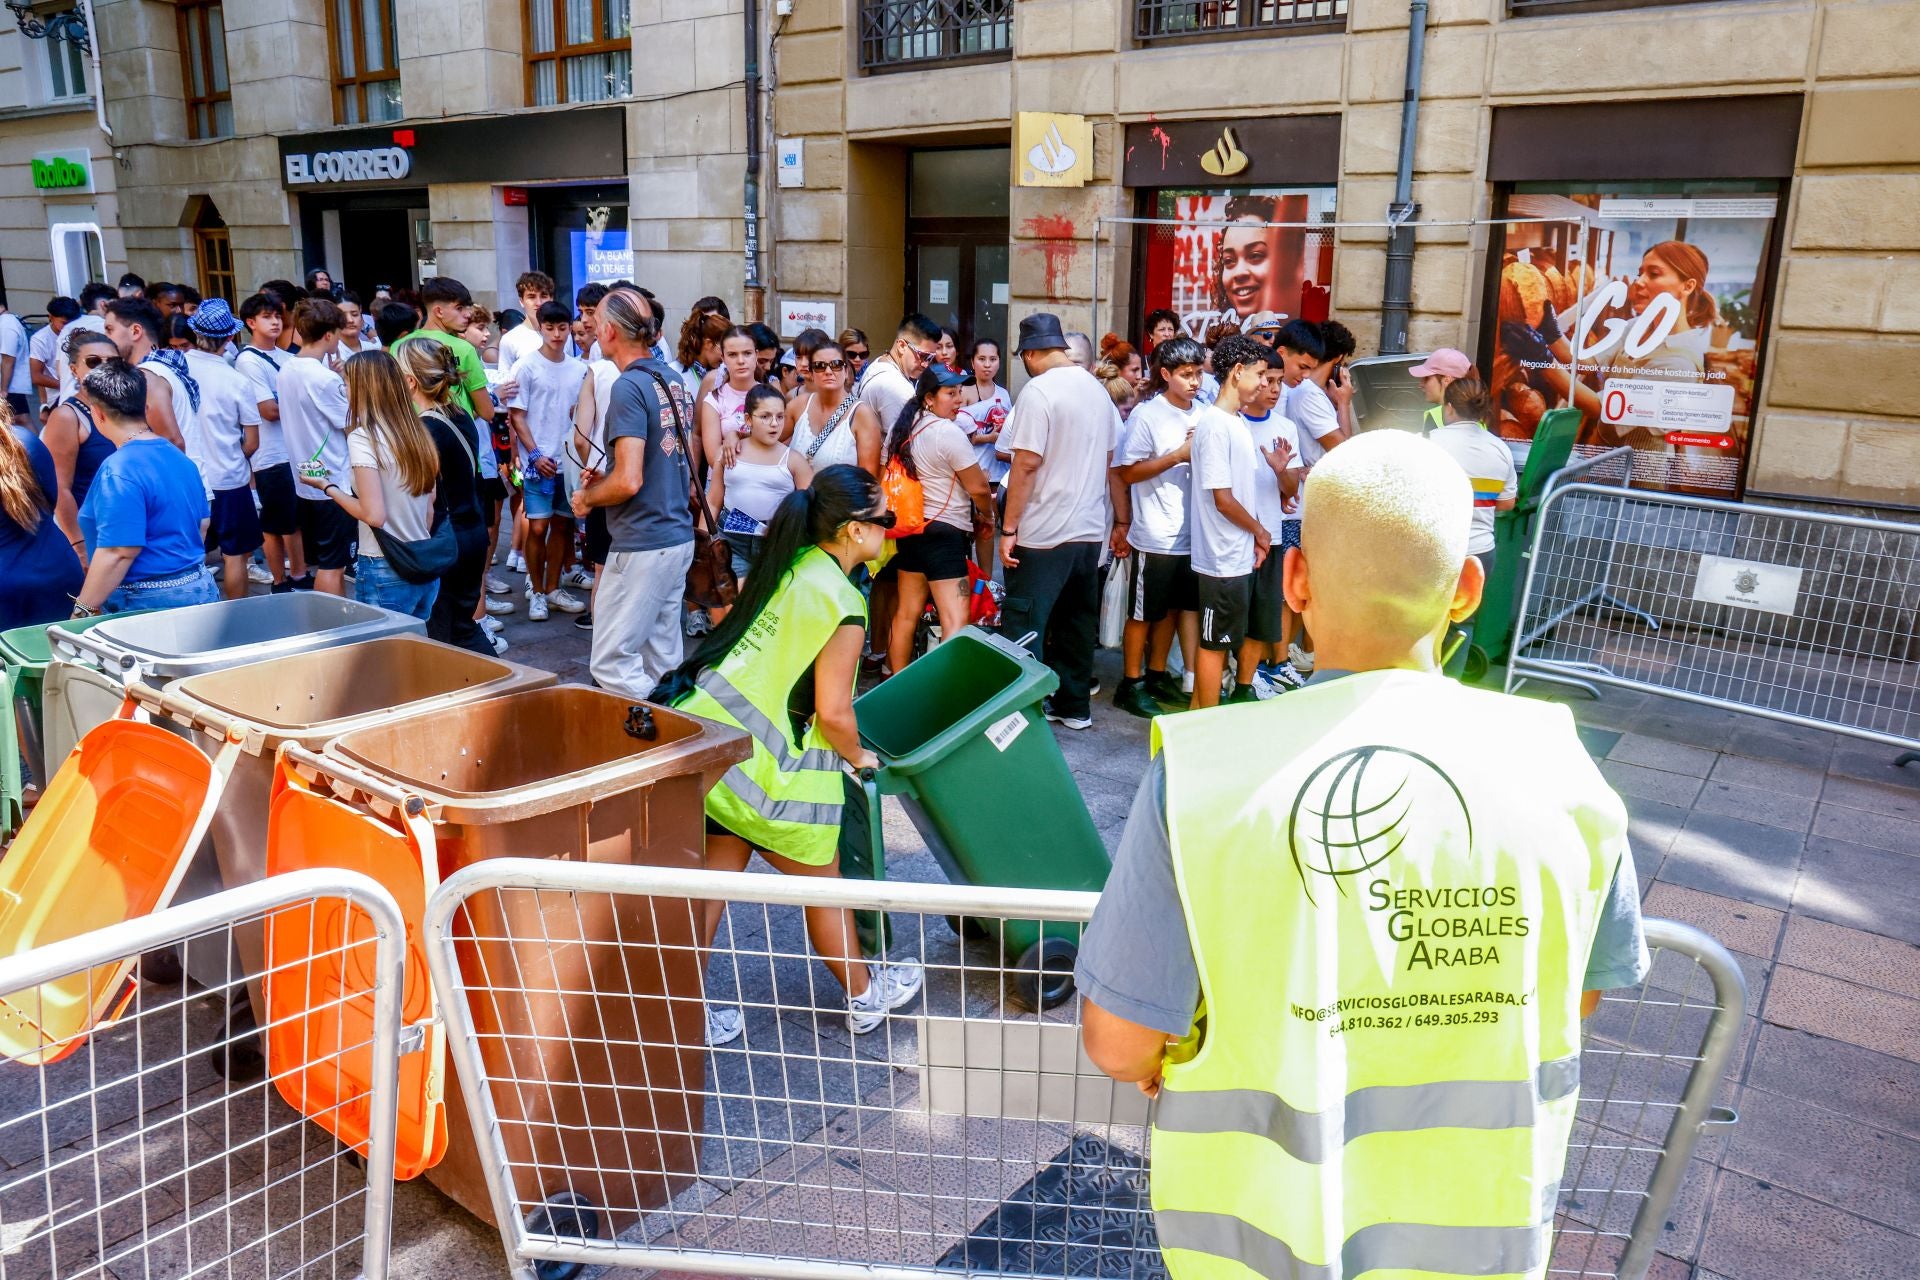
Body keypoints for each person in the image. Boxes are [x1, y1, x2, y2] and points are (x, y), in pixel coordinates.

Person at [1076, 428, 1649, 1280]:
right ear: (1465, 590)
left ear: (1297, 581)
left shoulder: (1200, 771)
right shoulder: (1560, 763)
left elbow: (1120, 1045)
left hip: (1253, 1243)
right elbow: (1583, 992)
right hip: (1479, 1237)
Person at [654, 464, 924, 1046]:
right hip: (770, 773)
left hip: (712, 748)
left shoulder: (796, 563)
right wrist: (861, 758)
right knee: (823, 888)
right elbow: (832, 713)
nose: (890, 531)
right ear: (856, 530)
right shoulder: (844, 603)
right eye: (886, 521)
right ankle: (864, 996)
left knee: (710, 889)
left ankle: (680, 1012)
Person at [997, 313, 1125, 731]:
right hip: (1088, 530)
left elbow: (1026, 464)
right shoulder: (1097, 390)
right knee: (1075, 623)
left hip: (1043, 530)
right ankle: (1074, 706)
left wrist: (1009, 527)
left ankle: (1021, 712)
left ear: (1031, 354)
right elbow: (1109, 460)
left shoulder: (1038, 391)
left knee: (1026, 622)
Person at [571, 289, 697, 698]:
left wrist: (588, 498)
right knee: (663, 659)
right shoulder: (672, 379)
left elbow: (628, 480)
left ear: (608, 331)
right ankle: (687, 738)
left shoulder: (628, 386)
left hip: (643, 541)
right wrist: (605, 478)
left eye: (595, 324)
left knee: (610, 660)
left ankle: (663, 730)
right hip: (675, 536)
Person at [298, 351, 441, 620]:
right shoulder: (417, 431)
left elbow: (373, 515)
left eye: (347, 384)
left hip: (383, 565)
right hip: (423, 561)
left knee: (381, 655)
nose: (346, 391)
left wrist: (328, 487)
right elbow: (429, 506)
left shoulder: (364, 437)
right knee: (415, 651)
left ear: (363, 388)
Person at [69, 358, 216, 615]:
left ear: (98, 414)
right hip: (199, 588)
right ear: (146, 407)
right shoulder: (180, 458)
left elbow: (118, 552)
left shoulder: (119, 469)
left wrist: (82, 607)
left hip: (145, 602)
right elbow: (202, 524)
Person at [1112, 337, 1206, 719]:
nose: (1195, 382)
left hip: (1193, 533)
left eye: (1199, 373)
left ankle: (1155, 674)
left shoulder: (1203, 412)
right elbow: (1127, 471)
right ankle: (1130, 683)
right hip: (1155, 532)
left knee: (1171, 609)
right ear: (1165, 375)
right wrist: (1177, 456)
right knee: (1143, 612)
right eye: (1186, 375)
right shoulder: (1147, 415)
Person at [884, 362, 992, 674]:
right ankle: (947, 695)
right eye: (950, 393)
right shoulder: (947, 432)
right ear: (929, 398)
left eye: (960, 392)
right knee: (955, 621)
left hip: (910, 532)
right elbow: (979, 487)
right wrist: (987, 515)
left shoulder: (901, 429)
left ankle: (896, 687)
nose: (959, 399)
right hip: (944, 536)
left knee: (905, 615)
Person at [396, 338, 499, 654]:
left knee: (445, 634)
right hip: (471, 529)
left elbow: (425, 495)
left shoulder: (425, 428)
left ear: (410, 381)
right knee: (463, 627)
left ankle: (495, 691)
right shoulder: (459, 414)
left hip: (446, 537)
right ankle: (504, 688)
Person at [1186, 334, 1271, 708]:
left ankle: (1196, 721)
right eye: (1261, 375)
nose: (1266, 384)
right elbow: (1223, 499)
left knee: (1220, 644)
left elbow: (1238, 493)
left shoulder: (1235, 422)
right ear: (1238, 373)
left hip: (1235, 554)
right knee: (1213, 647)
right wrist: (1259, 530)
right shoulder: (1216, 424)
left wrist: (1255, 535)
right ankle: (1205, 724)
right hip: (1219, 557)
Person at [505, 299, 590, 620]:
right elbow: (517, 416)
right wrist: (535, 454)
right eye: (550, 328)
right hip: (537, 463)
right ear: (540, 328)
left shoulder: (580, 369)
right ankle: (537, 590)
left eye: (562, 328)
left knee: (564, 525)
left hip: (568, 462)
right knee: (538, 527)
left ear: (570, 329)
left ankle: (553, 587)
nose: (556, 334)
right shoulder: (526, 366)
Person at [183, 301, 263, 599]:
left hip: (189, 476)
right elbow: (253, 442)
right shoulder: (236, 380)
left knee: (190, 555)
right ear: (230, 338)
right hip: (230, 477)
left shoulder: (176, 371)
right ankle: (236, 618)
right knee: (236, 556)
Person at [1239, 349, 1307, 695]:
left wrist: (1282, 471)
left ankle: (1249, 681)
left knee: (1261, 617)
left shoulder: (1285, 428)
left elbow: (1291, 489)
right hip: (1234, 537)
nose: (1275, 389)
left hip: (1272, 536)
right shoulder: (1230, 422)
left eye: (1280, 382)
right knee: (1230, 618)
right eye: (1269, 380)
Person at [278, 298, 355, 596]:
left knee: (324, 561)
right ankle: (335, 625)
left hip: (306, 477)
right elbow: (351, 421)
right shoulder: (322, 378)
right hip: (333, 479)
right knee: (333, 565)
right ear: (328, 335)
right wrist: (346, 383)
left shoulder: (288, 368)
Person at [235, 292, 308, 591]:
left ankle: (300, 575)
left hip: (293, 451)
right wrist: (303, 405)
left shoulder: (289, 358)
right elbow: (268, 410)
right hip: (270, 454)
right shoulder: (248, 361)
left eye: (278, 316)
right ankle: (282, 580)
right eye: (267, 317)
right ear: (250, 323)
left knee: (293, 521)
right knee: (277, 524)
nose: (275, 321)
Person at [712, 384, 810, 583]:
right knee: (734, 601)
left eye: (780, 416)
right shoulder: (729, 453)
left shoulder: (793, 460)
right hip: (731, 537)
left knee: (768, 604)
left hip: (775, 541)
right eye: (765, 416)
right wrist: (705, 542)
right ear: (748, 419)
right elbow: (713, 500)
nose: (774, 423)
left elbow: (809, 510)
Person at [0, 410, 84, 630]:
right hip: (56, 571)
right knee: (63, 660)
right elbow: (50, 500)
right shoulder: (25, 440)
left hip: (10, 591)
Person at [1428, 376, 1517, 581]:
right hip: (1480, 553)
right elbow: (1507, 503)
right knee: (1463, 613)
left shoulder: (1429, 442)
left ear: (1449, 408)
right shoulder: (1501, 450)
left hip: (1435, 551)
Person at [40, 329, 120, 556]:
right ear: (75, 370)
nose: (104, 367)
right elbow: (59, 487)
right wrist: (79, 545)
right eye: (93, 361)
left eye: (112, 361)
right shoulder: (68, 416)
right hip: (95, 537)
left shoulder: (126, 408)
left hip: (128, 531)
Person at [102, 298, 190, 454]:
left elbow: (172, 443)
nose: (105, 338)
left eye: (110, 329)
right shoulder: (164, 366)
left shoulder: (147, 376)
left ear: (135, 331)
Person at [788, 338, 882, 476]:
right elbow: (767, 439)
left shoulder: (862, 415)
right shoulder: (798, 405)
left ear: (846, 371)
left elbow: (868, 480)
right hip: (800, 496)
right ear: (812, 372)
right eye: (820, 365)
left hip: (840, 497)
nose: (828, 371)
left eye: (836, 364)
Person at [957, 337, 1011, 568]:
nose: (987, 364)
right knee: (965, 528)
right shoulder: (963, 392)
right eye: (982, 359)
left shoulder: (1005, 394)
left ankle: (987, 585)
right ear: (972, 362)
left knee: (988, 528)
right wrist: (988, 438)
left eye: (993, 359)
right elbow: (955, 435)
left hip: (998, 471)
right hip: (971, 470)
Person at [858, 314, 938, 439]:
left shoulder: (880, 361)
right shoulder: (897, 387)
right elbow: (903, 444)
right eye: (923, 356)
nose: (926, 364)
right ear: (901, 346)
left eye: (931, 358)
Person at [698, 326, 761, 474]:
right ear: (723, 358)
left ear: (756, 355)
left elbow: (779, 445)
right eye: (732, 355)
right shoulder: (714, 400)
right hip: (723, 483)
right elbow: (714, 458)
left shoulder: (771, 395)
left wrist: (736, 437)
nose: (741, 361)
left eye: (747, 353)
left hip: (764, 481)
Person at [29, 296, 80, 417]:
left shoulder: (78, 330)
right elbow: (36, 376)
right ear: (50, 317)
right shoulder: (40, 339)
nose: (69, 327)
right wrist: (44, 404)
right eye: (64, 323)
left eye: (72, 323)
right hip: (58, 397)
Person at [498, 272, 554, 374]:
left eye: (544, 296)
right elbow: (505, 382)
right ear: (521, 301)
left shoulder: (563, 334)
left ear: (551, 299)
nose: (539, 303)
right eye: (532, 297)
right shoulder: (510, 339)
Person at [1410, 347, 1474, 433]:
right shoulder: (1478, 415)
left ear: (1447, 379)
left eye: (1426, 378)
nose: (1421, 385)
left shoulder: (1434, 417)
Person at [674, 310, 729, 405]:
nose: (726, 357)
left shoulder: (721, 372)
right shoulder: (675, 373)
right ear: (708, 344)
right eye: (725, 348)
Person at [0, 298, 34, 422]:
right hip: (11, 385)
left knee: (19, 420)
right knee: (20, 420)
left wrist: (3, 391)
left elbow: (8, 359)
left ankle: (35, 442)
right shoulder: (6, 321)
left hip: (10, 386)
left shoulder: (7, 324)